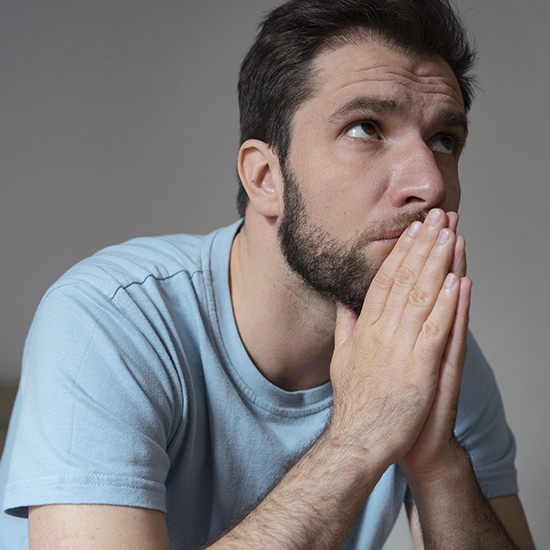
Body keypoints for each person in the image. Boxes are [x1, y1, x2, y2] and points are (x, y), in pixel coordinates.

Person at [0, 0, 536, 548]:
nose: (430, 183)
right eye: (366, 128)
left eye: (445, 140)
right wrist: (359, 438)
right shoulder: (109, 320)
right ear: (264, 178)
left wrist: (439, 463)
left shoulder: (428, 348)